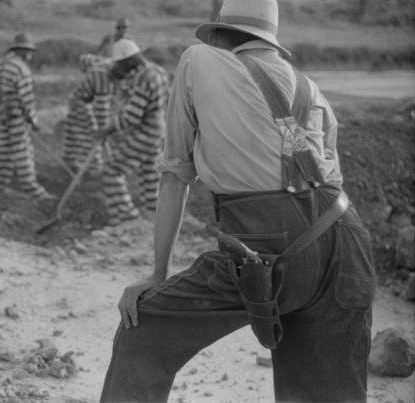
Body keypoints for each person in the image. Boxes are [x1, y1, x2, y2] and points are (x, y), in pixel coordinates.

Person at [100, 0, 376, 402]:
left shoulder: (198, 60)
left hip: (267, 239)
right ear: (271, 42)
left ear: (219, 36)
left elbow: (176, 176)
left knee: (142, 331)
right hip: (347, 242)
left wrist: (157, 275)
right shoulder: (311, 89)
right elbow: (323, 178)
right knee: (323, 393)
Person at [96, 39, 169, 226]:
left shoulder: (144, 77)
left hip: (146, 133)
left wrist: (108, 129)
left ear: (128, 60)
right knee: (149, 175)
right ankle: (153, 217)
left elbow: (133, 116)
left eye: (120, 63)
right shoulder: (158, 71)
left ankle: (129, 219)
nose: (119, 68)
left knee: (111, 171)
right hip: (159, 131)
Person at [0, 33, 54, 201]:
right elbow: (26, 98)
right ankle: (31, 187)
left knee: (4, 149)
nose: (30, 56)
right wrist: (33, 120)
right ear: (22, 50)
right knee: (23, 151)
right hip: (16, 116)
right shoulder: (21, 68)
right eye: (29, 52)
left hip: (3, 114)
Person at [62, 53, 116, 174]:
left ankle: (89, 166)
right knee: (93, 138)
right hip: (91, 108)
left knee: (86, 137)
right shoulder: (102, 73)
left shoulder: (98, 72)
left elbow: (89, 98)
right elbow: (102, 102)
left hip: (87, 108)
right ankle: (96, 166)